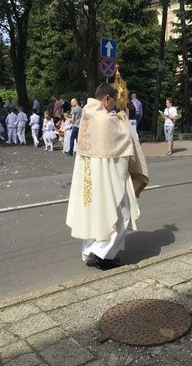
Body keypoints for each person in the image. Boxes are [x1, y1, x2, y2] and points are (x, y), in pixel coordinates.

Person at [66, 83, 149, 271]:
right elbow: (125, 138)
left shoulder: (88, 114)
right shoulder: (105, 120)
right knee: (121, 214)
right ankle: (104, 255)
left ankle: (90, 252)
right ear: (107, 99)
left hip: (90, 178)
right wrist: (124, 119)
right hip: (107, 178)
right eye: (115, 101)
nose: (115, 106)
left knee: (93, 215)